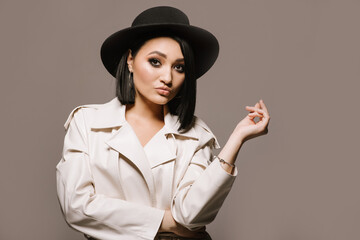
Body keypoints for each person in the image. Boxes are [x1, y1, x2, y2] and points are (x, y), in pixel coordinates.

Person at [56, 6, 270, 240]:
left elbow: (191, 215)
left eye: (179, 67)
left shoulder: (196, 134)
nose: (168, 78)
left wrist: (236, 139)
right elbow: (75, 207)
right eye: (156, 62)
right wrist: (165, 221)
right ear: (130, 60)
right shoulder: (87, 123)